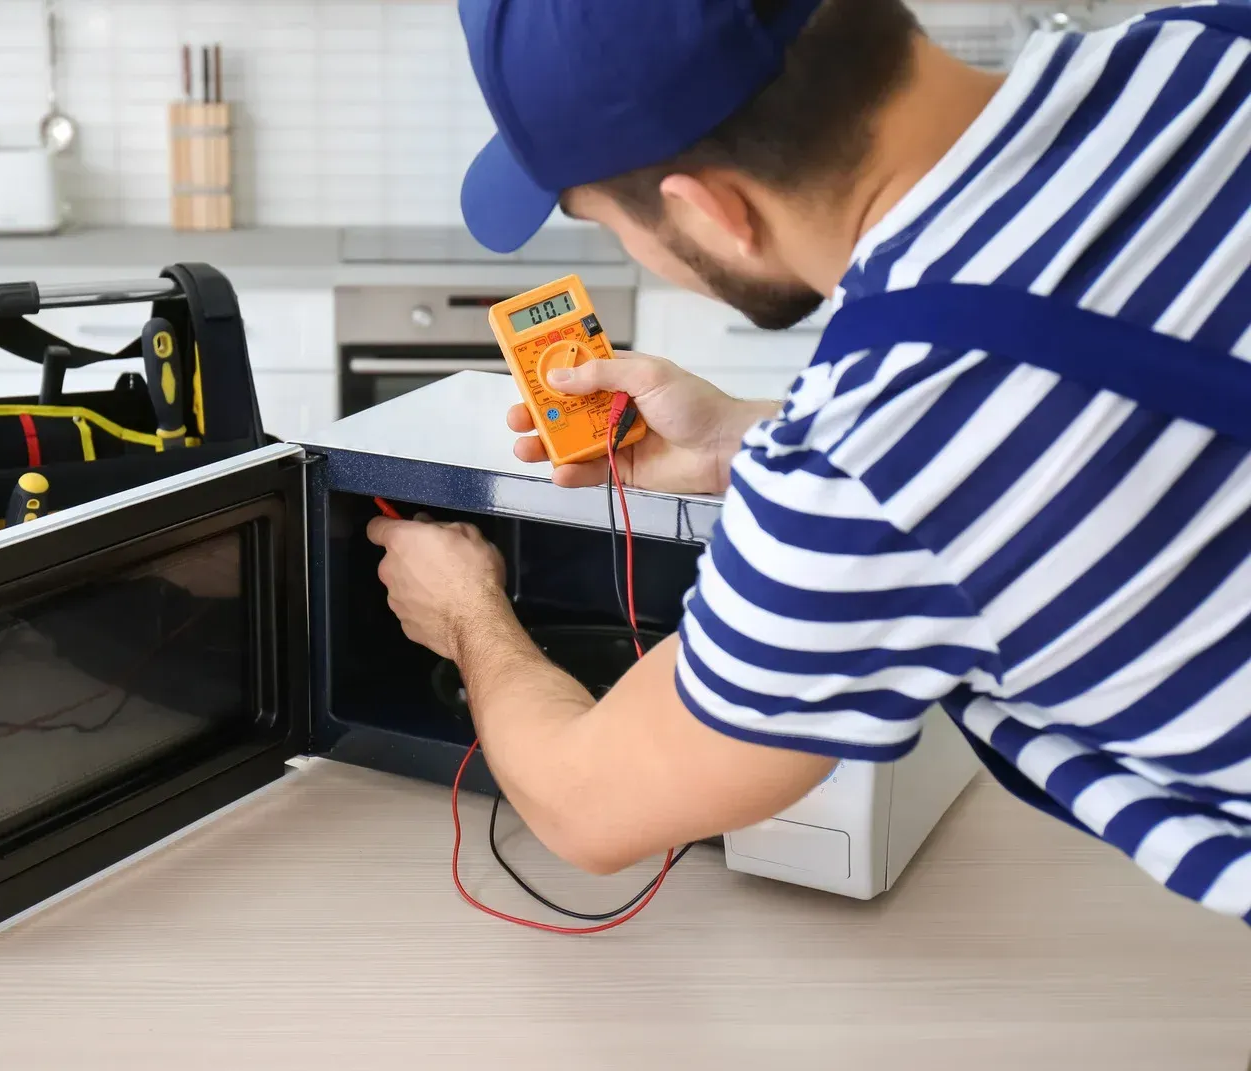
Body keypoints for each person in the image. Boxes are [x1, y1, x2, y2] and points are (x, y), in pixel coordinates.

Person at [366, 0, 1251, 924]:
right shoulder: (1206, 47)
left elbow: (584, 805)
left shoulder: (865, 466)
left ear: (712, 213)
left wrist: (465, 609)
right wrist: (743, 441)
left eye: (612, 227)